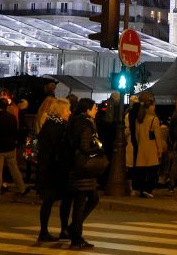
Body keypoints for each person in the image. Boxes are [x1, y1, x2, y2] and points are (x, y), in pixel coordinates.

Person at [67, 98, 102, 250]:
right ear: (87, 110)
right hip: (82, 169)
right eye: (94, 108)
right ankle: (75, 237)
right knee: (82, 202)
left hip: (76, 167)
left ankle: (74, 229)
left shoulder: (74, 122)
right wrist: (98, 150)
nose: (96, 110)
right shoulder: (86, 126)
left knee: (90, 198)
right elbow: (85, 148)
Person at [36, 98, 72, 242]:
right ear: (61, 111)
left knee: (50, 201)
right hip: (53, 170)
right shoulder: (59, 127)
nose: (69, 113)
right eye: (67, 110)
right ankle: (53, 230)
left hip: (47, 168)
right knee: (56, 200)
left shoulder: (49, 124)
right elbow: (60, 149)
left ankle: (46, 230)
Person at [0, 97, 27, 201]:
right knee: (14, 169)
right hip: (10, 147)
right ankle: (22, 188)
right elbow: (15, 131)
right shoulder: (12, 118)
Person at [126, 93, 161, 198]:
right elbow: (158, 136)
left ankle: (140, 188)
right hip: (152, 147)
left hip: (141, 145)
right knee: (153, 170)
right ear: (151, 106)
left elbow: (136, 134)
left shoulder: (139, 119)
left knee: (141, 170)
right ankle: (148, 189)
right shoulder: (154, 119)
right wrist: (160, 149)